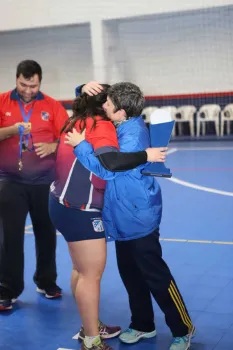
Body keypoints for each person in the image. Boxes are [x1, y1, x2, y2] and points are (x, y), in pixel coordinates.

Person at [65, 82, 195, 350]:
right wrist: (82, 87)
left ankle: (183, 328)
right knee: (131, 275)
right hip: (122, 217)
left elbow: (109, 170)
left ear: (121, 111)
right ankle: (143, 324)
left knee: (156, 276)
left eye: (109, 104)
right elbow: (93, 97)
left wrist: (80, 146)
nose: (104, 106)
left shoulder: (132, 136)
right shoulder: (120, 123)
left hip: (138, 218)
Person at [49, 84, 165, 350]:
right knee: (90, 274)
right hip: (81, 210)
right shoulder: (101, 127)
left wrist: (82, 86)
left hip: (60, 204)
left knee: (81, 270)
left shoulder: (74, 120)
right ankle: (91, 340)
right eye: (109, 99)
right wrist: (145, 155)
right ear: (105, 105)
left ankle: (89, 326)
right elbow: (111, 166)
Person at [0, 60, 66, 311]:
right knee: (9, 237)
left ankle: (47, 281)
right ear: (16, 79)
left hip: (45, 181)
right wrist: (11, 130)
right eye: (23, 84)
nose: (28, 90)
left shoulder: (52, 106)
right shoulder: (2, 101)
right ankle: (7, 288)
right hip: (9, 180)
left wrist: (53, 146)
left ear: (40, 82)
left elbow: (69, 138)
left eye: (33, 85)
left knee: (46, 234)